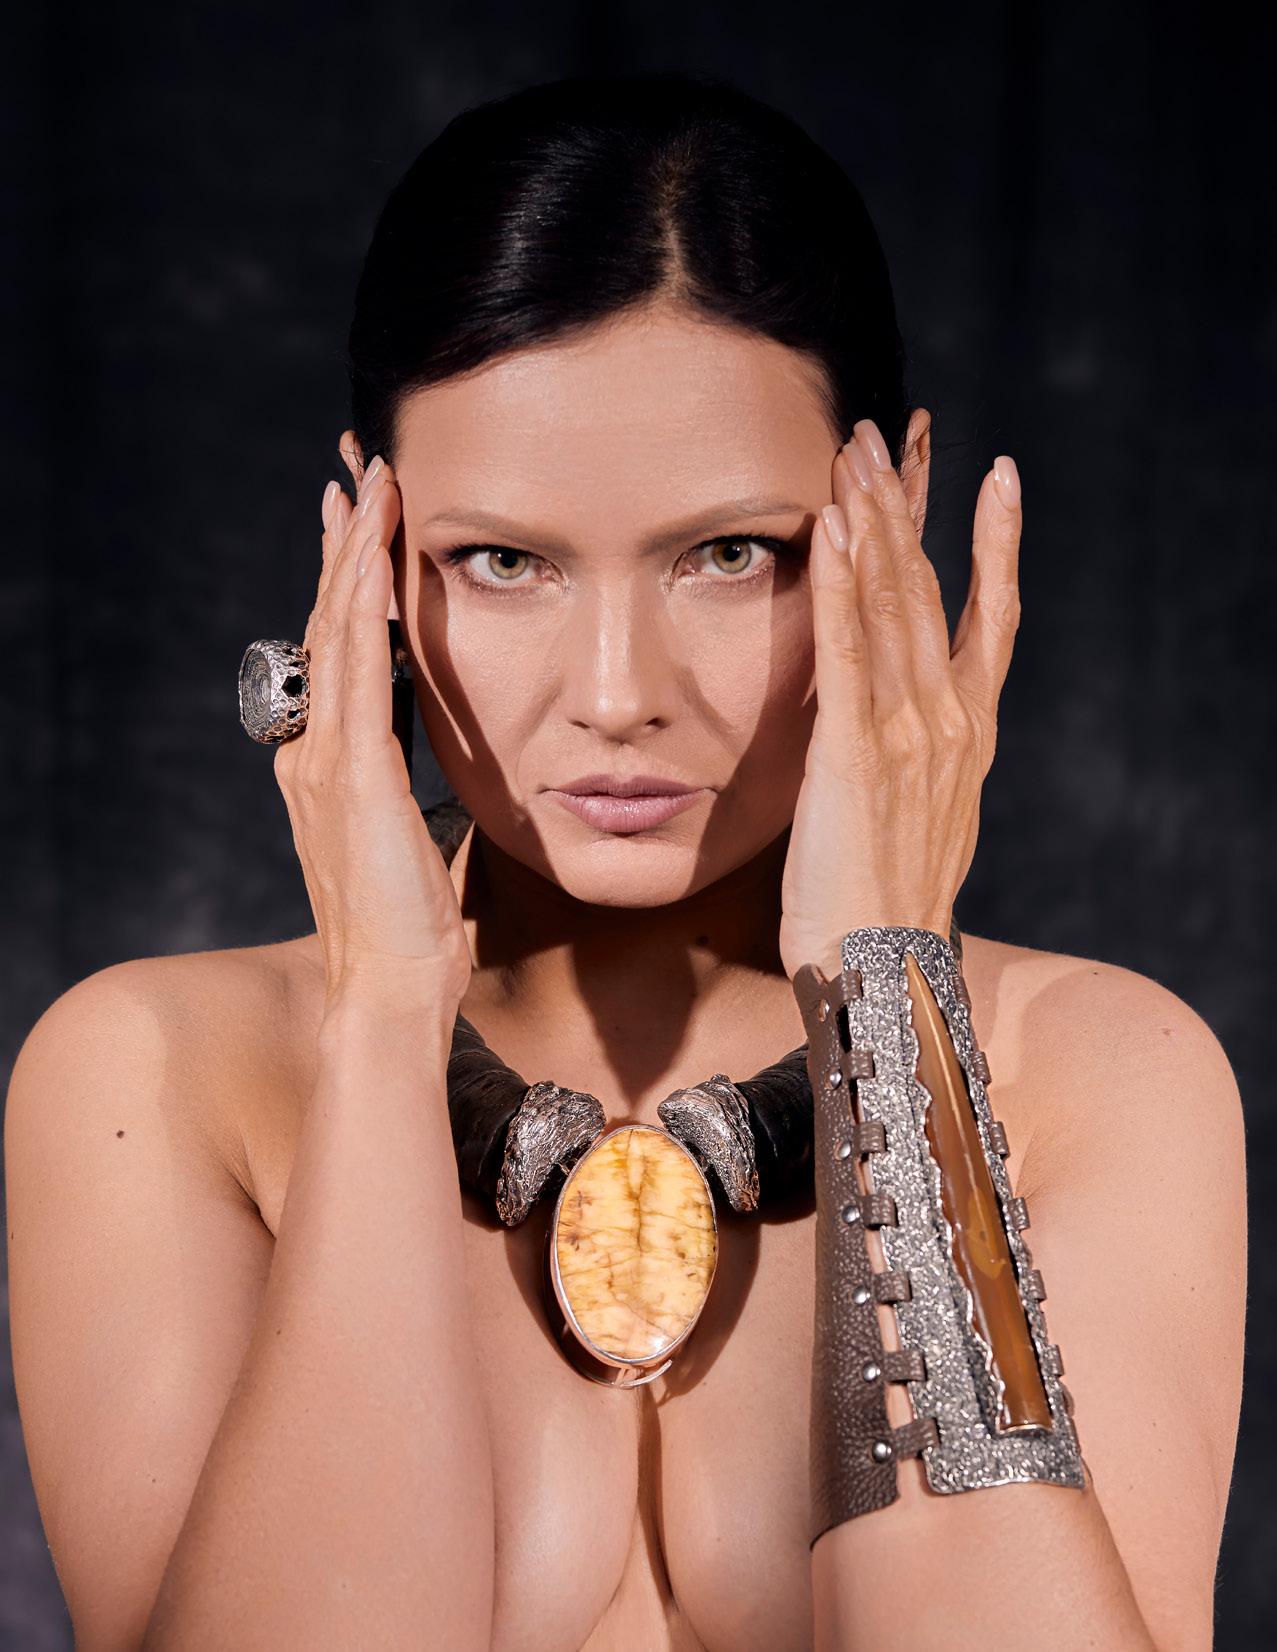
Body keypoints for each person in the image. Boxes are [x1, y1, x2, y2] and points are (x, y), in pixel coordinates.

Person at [4, 70, 1245, 1652]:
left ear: (896, 501)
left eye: (728, 554)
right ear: (371, 547)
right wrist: (383, 1019)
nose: (614, 693)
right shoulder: (162, 1071)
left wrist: (884, 996)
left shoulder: (1092, 1072)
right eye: (500, 560)